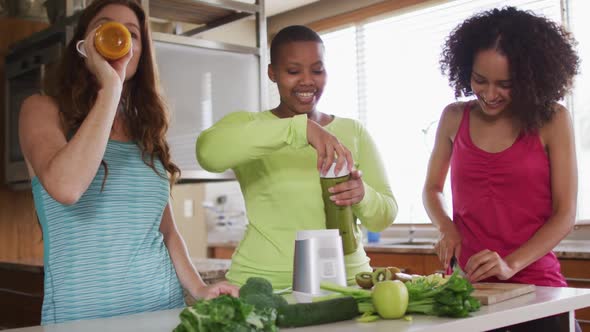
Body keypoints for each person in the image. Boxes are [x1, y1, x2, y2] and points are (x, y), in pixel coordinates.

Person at [18, 0, 238, 325]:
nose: (120, 37)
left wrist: (199, 288)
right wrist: (111, 86)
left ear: (141, 53)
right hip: (81, 320)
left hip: (163, 312)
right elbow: (66, 187)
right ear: (84, 44)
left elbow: (167, 232)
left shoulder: (146, 133)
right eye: (105, 25)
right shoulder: (42, 109)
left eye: (132, 34)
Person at [196, 25, 398, 289]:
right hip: (265, 284)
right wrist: (300, 128)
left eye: (317, 70)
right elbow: (208, 153)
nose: (307, 80)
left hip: (349, 281)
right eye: (293, 71)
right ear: (273, 73)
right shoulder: (251, 127)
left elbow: (384, 216)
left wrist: (363, 195)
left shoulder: (352, 131)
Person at [423, 7, 579, 332]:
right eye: (480, 80)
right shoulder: (454, 117)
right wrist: (446, 226)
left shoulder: (553, 120)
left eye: (504, 84)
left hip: (538, 289)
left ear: (529, 79)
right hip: (469, 290)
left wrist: (511, 263)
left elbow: (564, 214)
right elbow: (432, 189)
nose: (489, 95)